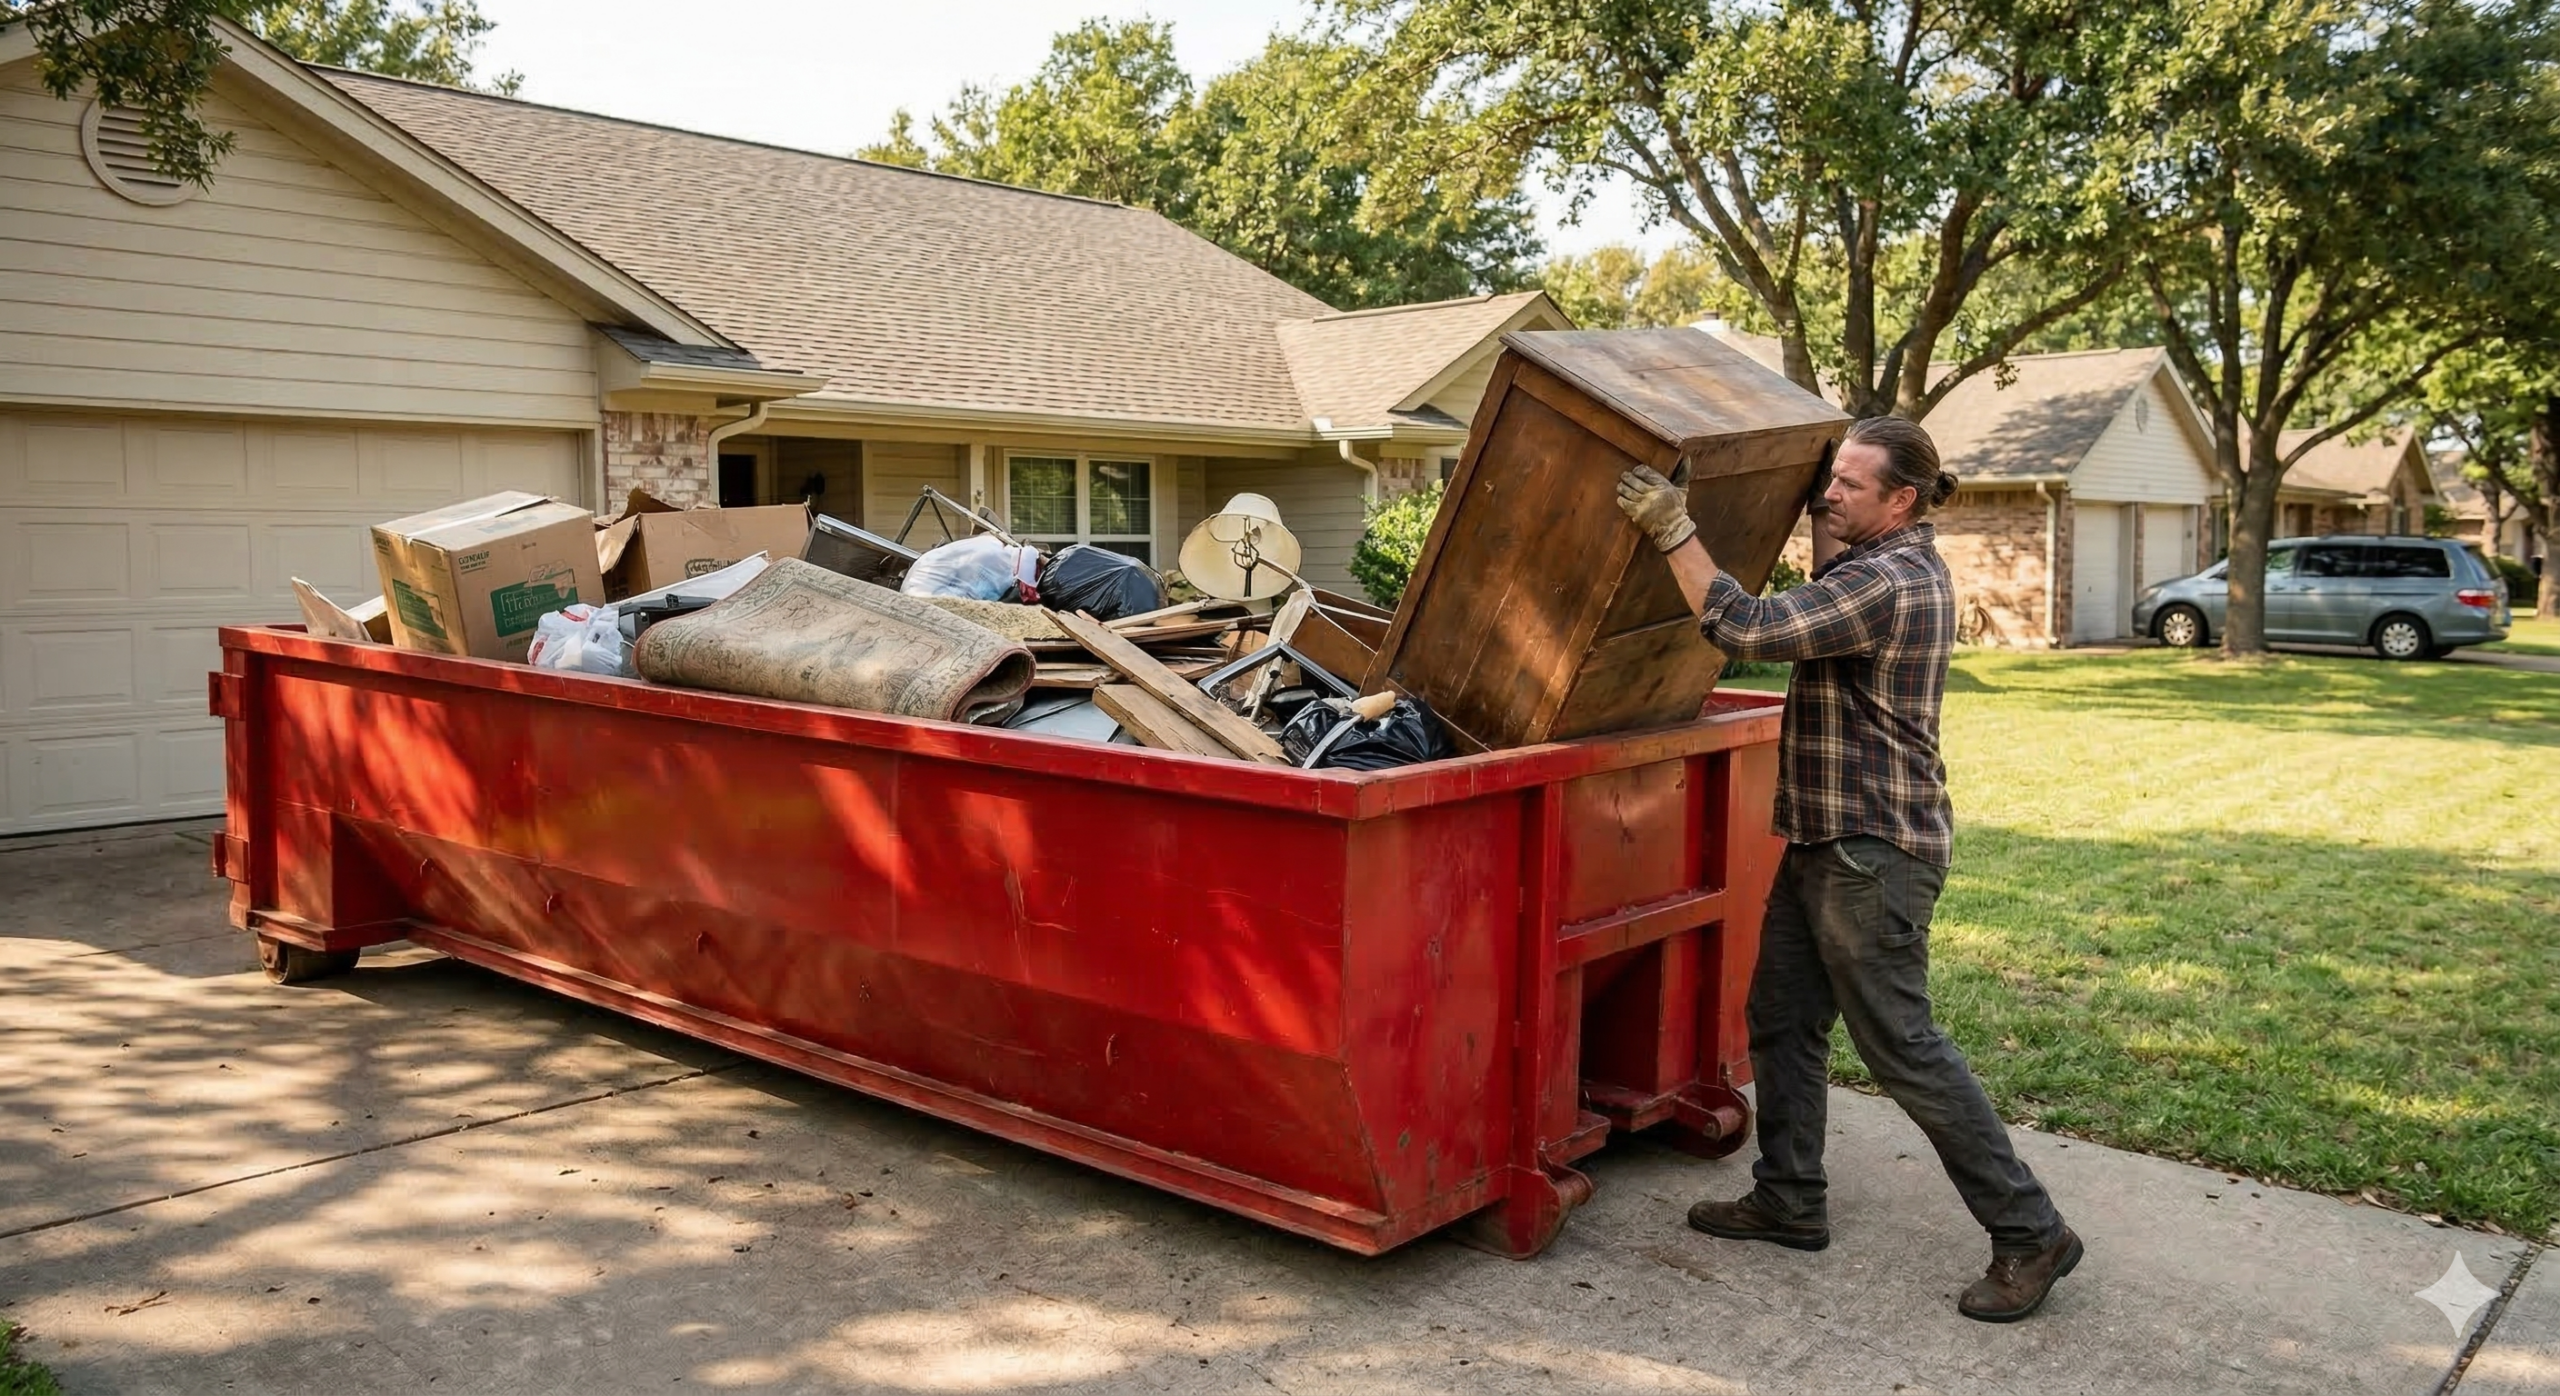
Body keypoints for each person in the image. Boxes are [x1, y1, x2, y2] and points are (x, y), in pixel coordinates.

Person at [1613, 415, 2082, 1324]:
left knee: (1901, 1046)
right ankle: (1790, 1198)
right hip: (1828, 840)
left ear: (1901, 500)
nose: (1830, 494)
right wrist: (1808, 486)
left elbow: (1743, 625)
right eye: (1831, 478)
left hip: (1873, 853)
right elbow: (1812, 570)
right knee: (1782, 1020)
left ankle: (2032, 1230)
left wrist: (1674, 527)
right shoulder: (1872, 564)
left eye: (1850, 484)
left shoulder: (1887, 582)